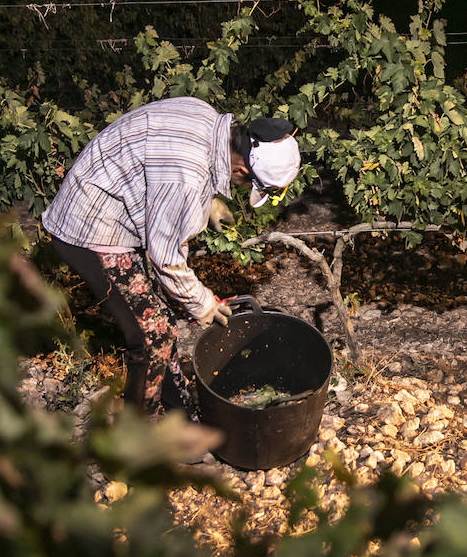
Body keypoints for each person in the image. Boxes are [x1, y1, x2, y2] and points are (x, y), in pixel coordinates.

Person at [42, 96, 300, 419]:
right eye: (247, 182)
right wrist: (203, 304)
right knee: (153, 337)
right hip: (90, 225)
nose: (242, 188)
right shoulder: (188, 181)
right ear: (241, 168)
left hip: (107, 200)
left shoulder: (207, 118)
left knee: (161, 318)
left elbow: (163, 168)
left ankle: (181, 416)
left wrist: (208, 204)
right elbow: (164, 257)